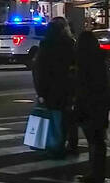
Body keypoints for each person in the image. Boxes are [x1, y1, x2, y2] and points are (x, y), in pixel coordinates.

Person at [32, 16, 79, 157]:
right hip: (66, 87)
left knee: (52, 117)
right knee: (69, 118)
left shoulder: (45, 44)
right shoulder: (70, 44)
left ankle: (53, 144)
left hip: (50, 89)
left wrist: (40, 91)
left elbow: (39, 69)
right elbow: (76, 66)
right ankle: (70, 145)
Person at [74, 30, 110, 183]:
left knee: (93, 139)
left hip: (88, 103)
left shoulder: (83, 61)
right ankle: (98, 171)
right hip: (101, 103)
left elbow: (81, 85)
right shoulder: (100, 59)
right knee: (99, 139)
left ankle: (95, 172)